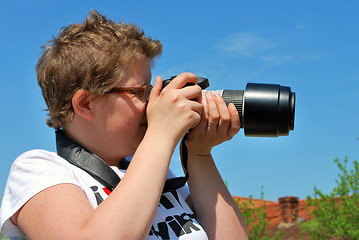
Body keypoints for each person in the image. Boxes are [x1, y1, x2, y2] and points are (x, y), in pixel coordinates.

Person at [0, 10, 248, 239]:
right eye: (140, 91)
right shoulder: (37, 169)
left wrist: (199, 154)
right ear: (86, 104)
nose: (153, 101)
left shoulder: (157, 176)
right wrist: (161, 135)